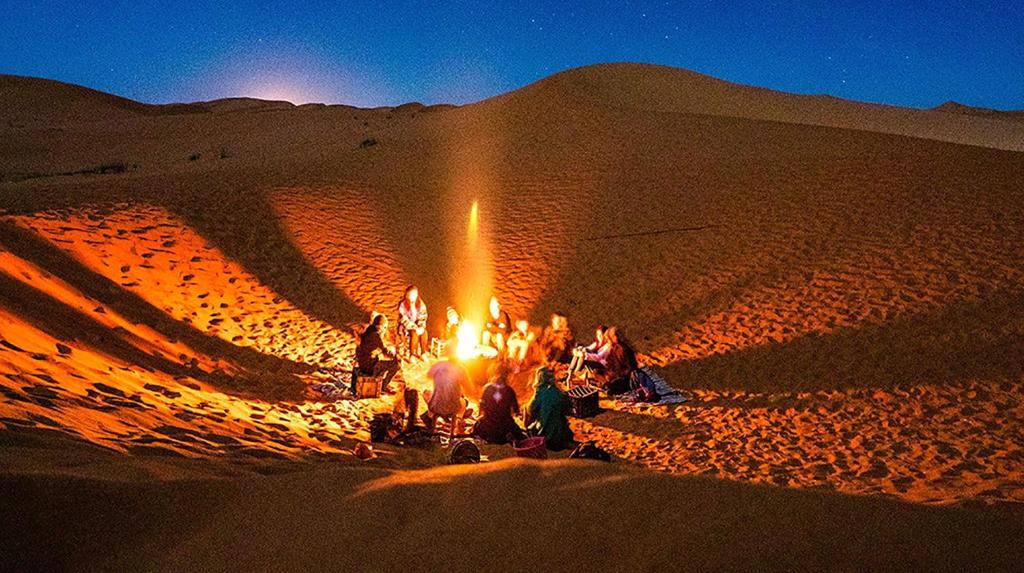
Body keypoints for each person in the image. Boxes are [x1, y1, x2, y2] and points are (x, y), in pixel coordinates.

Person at [472, 362, 526, 444]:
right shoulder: (509, 390)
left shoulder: (487, 388)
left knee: (477, 426)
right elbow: (516, 410)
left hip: (488, 427)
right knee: (518, 433)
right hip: (504, 428)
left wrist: (481, 416)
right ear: (508, 376)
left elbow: (481, 405)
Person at [421, 346, 470, 432]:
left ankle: (430, 416)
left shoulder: (438, 365)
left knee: (426, 393)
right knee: (464, 401)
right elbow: (470, 389)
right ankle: (458, 420)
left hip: (435, 406)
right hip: (453, 407)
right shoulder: (461, 369)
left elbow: (428, 375)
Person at [525, 367, 574, 451]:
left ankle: (528, 432)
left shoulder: (539, 393)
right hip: (562, 435)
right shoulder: (559, 392)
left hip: (545, 436)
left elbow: (532, 411)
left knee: (526, 408)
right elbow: (568, 408)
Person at [355, 313, 400, 393]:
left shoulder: (368, 331)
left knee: (382, 362)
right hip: (370, 366)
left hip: (363, 363)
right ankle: (384, 386)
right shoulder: (376, 335)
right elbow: (385, 351)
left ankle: (382, 382)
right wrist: (396, 356)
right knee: (396, 365)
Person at [600, 327, 639, 395]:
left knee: (611, 388)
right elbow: (611, 363)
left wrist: (617, 375)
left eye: (617, 335)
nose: (616, 337)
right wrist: (609, 373)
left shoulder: (625, 349)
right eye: (614, 336)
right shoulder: (614, 348)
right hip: (616, 375)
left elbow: (630, 368)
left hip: (625, 378)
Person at [398, 285, 428, 360]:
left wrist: (421, 327)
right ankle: (412, 355)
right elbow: (403, 318)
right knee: (414, 333)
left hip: (417, 325)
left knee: (424, 333)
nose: (413, 296)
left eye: (415, 294)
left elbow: (423, 315)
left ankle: (423, 353)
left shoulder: (420, 303)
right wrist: (414, 327)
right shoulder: (402, 304)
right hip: (406, 326)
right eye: (412, 294)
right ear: (407, 295)